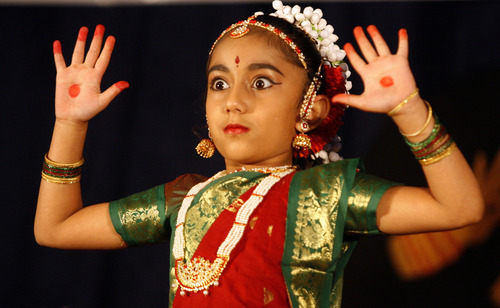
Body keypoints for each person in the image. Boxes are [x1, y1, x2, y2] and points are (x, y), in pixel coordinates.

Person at [34, 1, 484, 307]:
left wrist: (410, 112)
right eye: (219, 83)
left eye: (262, 82)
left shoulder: (324, 194)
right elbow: (56, 229)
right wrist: (70, 124)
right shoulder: (183, 199)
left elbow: (460, 207)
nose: (234, 100)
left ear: (311, 109)